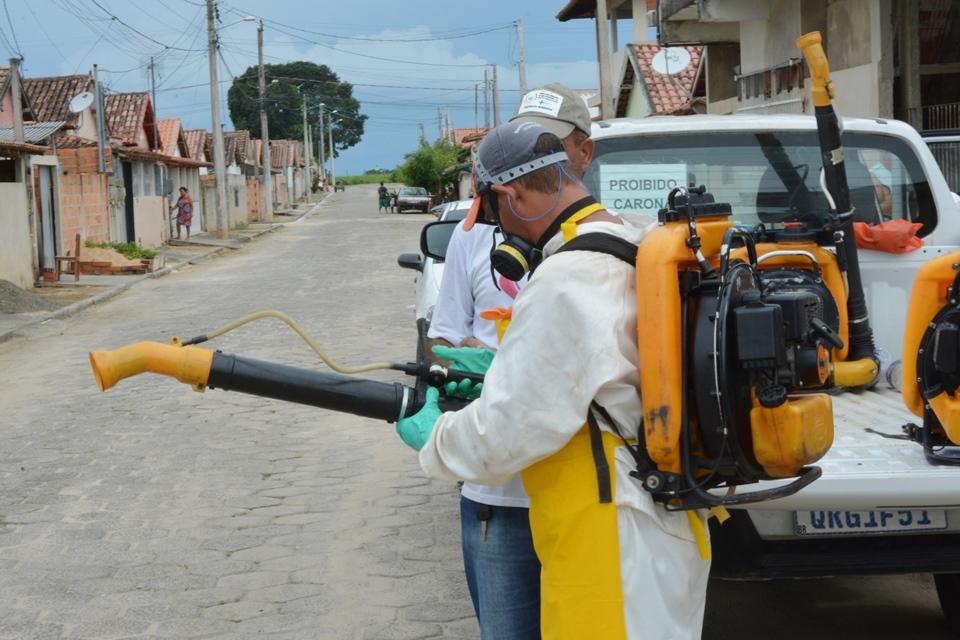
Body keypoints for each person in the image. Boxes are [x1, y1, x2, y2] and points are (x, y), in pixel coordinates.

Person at [397, 120, 710, 639]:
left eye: (496, 214)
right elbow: (605, 371)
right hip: (663, 518)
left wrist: (433, 437)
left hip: (610, 535)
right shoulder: (631, 238)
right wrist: (504, 370)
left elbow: (504, 435)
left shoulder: (567, 276)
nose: (502, 231)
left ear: (510, 194)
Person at [425, 82, 596, 640]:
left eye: (547, 143)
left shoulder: (606, 245)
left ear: (582, 154)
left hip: (585, 498)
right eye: (520, 142)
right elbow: (446, 342)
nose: (531, 156)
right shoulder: (478, 239)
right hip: (499, 495)